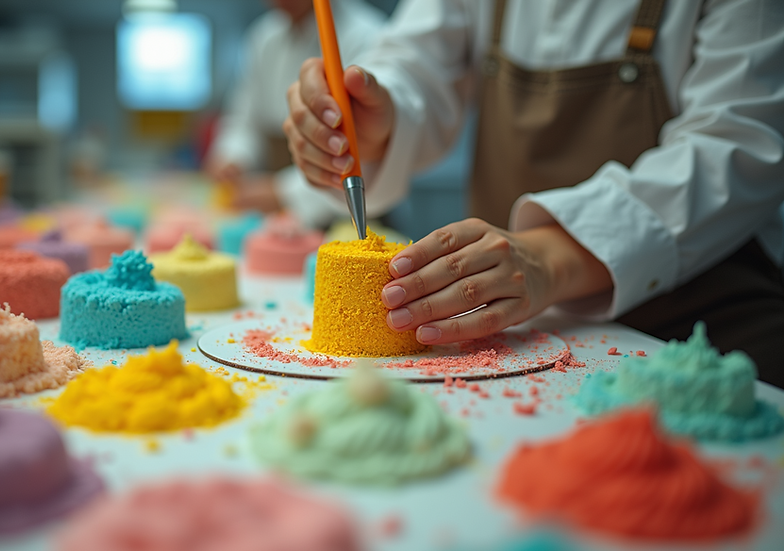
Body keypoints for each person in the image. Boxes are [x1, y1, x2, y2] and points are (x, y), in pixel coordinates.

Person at [284, 0, 784, 385]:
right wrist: (379, 116)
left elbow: (743, 138)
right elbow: (417, 60)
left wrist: (553, 256)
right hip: (506, 335)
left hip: (703, 325)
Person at [205, 0, 385, 228]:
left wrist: (285, 192)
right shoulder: (264, 37)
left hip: (349, 214)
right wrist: (232, 158)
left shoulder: (366, 35)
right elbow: (244, 119)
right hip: (279, 219)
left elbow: (369, 154)